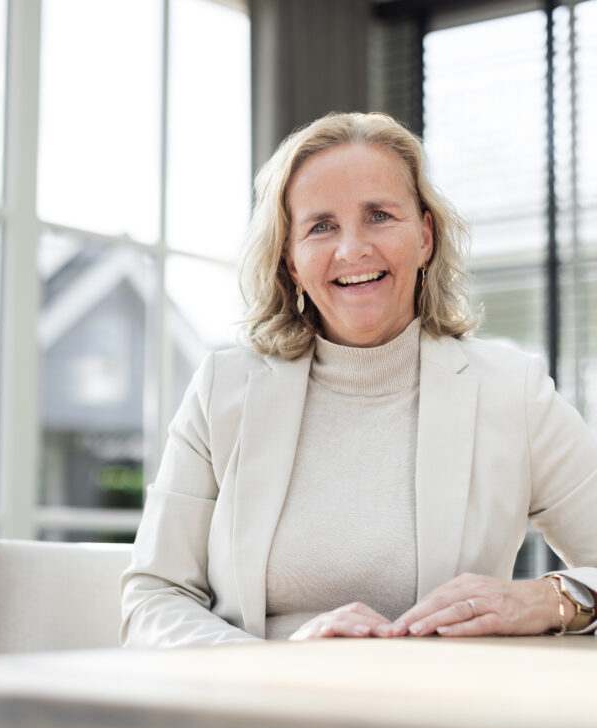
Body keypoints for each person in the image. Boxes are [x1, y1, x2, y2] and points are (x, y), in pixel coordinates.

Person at [120, 111, 597, 647]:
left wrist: (552, 597)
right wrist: (270, 666)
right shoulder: (220, 390)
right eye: (321, 226)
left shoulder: (514, 391)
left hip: (446, 711)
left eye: (379, 215)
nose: (352, 249)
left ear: (424, 237)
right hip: (255, 710)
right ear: (291, 261)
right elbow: (154, 597)